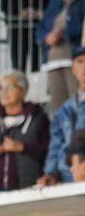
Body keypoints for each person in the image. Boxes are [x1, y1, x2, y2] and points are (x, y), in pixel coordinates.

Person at [0, 71, 50, 191]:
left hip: (28, 190)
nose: (4, 92)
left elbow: (48, 153)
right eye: (1, 88)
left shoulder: (38, 119)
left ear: (23, 91)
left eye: (10, 87)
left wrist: (22, 148)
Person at [38, 46, 85, 184]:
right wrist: (50, 172)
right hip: (68, 176)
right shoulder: (63, 110)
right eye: (80, 62)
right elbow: (55, 144)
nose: (84, 67)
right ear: (73, 69)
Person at [38, 0, 84, 112]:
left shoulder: (81, 3)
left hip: (73, 59)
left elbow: (79, 28)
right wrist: (46, 37)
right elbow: (41, 27)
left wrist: (61, 34)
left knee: (77, 101)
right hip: (52, 61)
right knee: (58, 105)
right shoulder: (54, 3)